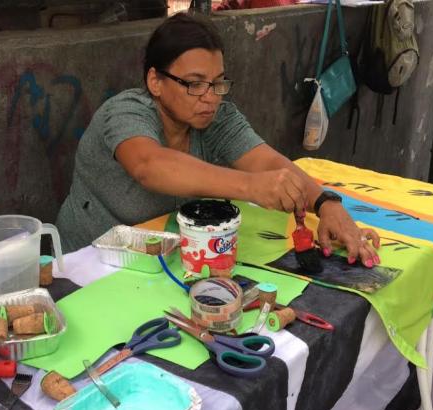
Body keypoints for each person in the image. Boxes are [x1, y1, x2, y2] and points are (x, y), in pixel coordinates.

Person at [56, 12, 380, 266]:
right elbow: (149, 165)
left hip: (165, 262)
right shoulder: (124, 113)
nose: (210, 98)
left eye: (218, 83)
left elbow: (266, 161)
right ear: (155, 81)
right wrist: (251, 187)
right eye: (195, 84)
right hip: (88, 267)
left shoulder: (216, 118)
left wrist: (326, 204)